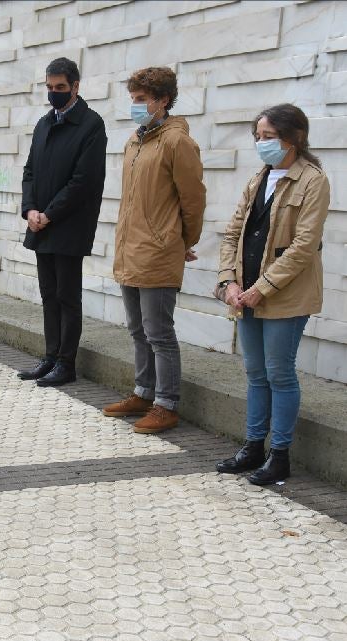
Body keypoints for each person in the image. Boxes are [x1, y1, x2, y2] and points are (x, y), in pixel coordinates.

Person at [214, 104, 329, 486]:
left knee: (280, 373)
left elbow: (304, 246)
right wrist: (230, 282)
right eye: (258, 137)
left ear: (294, 138)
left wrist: (261, 289)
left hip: (285, 297)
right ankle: (252, 447)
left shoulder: (313, 180)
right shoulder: (257, 179)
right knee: (255, 373)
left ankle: (279, 456)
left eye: (268, 137)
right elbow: (233, 234)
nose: (261, 144)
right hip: (244, 295)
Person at [101, 66, 206, 434]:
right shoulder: (136, 140)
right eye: (133, 99)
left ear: (163, 100)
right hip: (131, 248)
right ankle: (143, 392)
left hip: (158, 250)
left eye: (142, 99)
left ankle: (167, 403)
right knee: (137, 329)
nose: (135, 105)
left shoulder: (178, 142)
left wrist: (184, 241)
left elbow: (193, 200)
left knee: (159, 331)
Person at [19, 57, 108, 387]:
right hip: (40, 224)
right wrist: (30, 210)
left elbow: (83, 181)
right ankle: (50, 355)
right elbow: (29, 171)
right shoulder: (44, 123)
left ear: (75, 86)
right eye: (49, 88)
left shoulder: (91, 126)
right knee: (48, 295)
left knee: (68, 297)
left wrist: (49, 213)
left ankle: (66, 363)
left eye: (60, 88)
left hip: (69, 225)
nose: (54, 93)